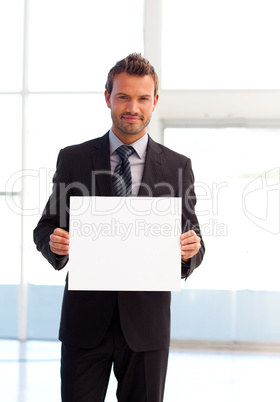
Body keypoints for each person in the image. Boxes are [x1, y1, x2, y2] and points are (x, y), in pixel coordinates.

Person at [33, 53, 205, 402]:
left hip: (147, 327)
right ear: (108, 97)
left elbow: (194, 237)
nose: (133, 107)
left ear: (154, 102)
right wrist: (55, 244)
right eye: (124, 96)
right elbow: (46, 227)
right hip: (86, 323)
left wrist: (190, 252)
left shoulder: (177, 166)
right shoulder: (75, 159)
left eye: (143, 98)